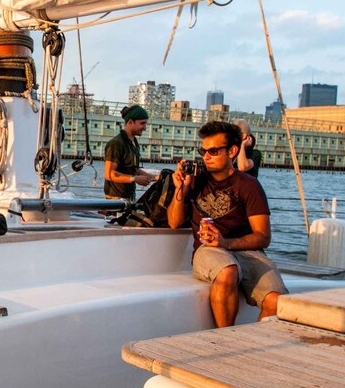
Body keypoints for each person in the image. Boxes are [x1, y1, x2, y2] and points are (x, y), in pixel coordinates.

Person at [167, 120, 288, 328]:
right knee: (228, 271)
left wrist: (225, 242)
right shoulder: (195, 180)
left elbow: (263, 237)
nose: (206, 156)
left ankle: (249, 348)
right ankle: (225, 338)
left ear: (232, 151)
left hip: (247, 251)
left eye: (213, 151)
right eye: (203, 151)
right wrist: (181, 188)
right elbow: (174, 222)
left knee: (277, 301)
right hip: (209, 249)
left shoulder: (249, 185)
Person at [103, 105, 157, 200]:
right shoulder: (116, 143)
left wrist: (155, 177)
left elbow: (134, 170)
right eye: (142, 123)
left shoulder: (134, 143)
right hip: (115, 200)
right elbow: (109, 174)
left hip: (129, 198)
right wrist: (134, 179)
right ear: (130, 122)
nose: (145, 128)